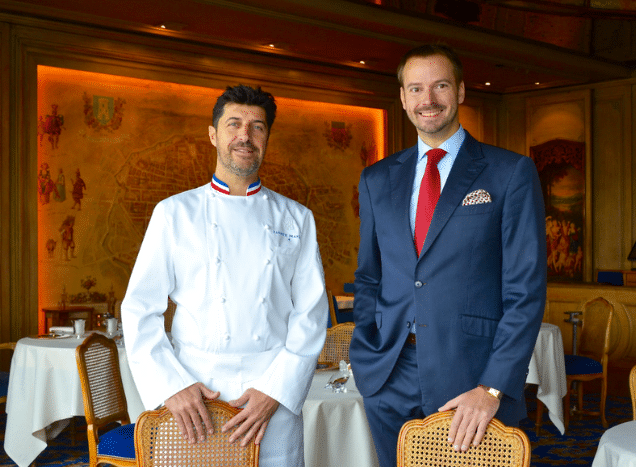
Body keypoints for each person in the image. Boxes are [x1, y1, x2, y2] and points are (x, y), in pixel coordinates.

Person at [349, 44, 547, 467]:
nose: (428, 100)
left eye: (439, 85)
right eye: (416, 88)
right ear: (402, 98)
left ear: (459, 91)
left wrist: (493, 387)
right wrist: (366, 358)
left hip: (471, 377)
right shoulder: (376, 178)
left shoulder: (509, 172)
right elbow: (369, 277)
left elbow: (525, 290)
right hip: (388, 374)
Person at [122, 84, 328, 466]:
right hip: (196, 398)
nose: (245, 136)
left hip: (271, 400)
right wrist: (174, 386)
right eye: (234, 124)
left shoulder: (297, 218)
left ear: (267, 138)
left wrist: (277, 391)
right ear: (213, 134)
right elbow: (139, 308)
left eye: (257, 127)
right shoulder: (174, 213)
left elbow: (311, 315)